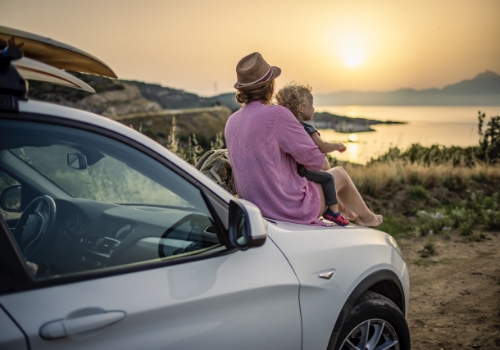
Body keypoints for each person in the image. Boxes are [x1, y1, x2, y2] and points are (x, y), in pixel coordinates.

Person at [225, 52, 382, 227]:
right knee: (340, 174)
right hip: (287, 209)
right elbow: (316, 161)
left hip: (255, 210)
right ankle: (367, 218)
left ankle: (344, 210)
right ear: (270, 86)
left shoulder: (232, 121)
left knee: (325, 173)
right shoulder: (277, 114)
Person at [275, 83, 349, 226]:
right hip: (303, 172)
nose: (314, 108)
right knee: (328, 178)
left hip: (290, 177)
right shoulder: (307, 127)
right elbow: (322, 147)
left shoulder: (285, 127)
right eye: (312, 104)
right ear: (301, 107)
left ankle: (343, 209)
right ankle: (334, 212)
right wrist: (337, 145)